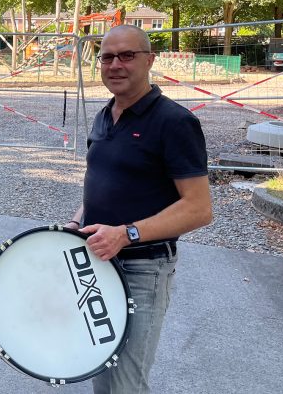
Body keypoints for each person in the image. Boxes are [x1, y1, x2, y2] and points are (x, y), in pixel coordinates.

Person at [64, 24, 212, 394]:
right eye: (107, 57)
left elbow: (199, 209)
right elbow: (105, 183)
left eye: (127, 55)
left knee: (126, 383)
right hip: (99, 262)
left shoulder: (175, 122)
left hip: (143, 269)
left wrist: (126, 233)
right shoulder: (103, 116)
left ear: (150, 60)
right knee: (102, 369)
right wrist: (77, 220)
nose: (116, 65)